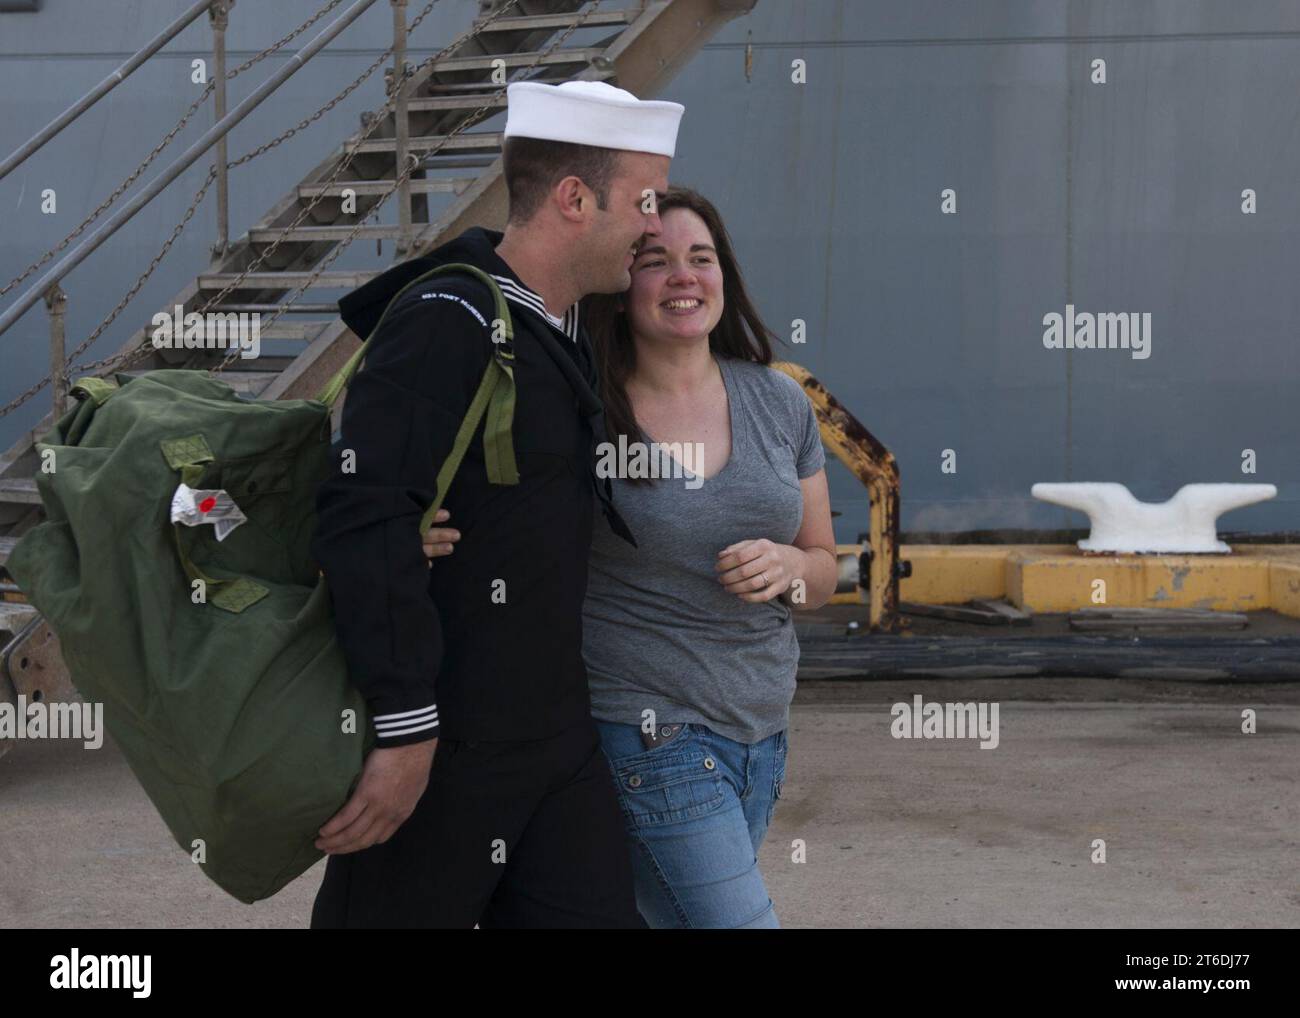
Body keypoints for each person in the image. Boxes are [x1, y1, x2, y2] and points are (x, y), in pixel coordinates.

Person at [308, 80, 684, 928]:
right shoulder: (448, 318)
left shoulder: (561, 325)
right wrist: (405, 733)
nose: (657, 225)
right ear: (574, 199)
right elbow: (361, 510)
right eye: (646, 201)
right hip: (448, 749)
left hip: (553, 742)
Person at [424, 186, 838, 927]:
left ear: (724, 278)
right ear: (624, 282)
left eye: (700, 258)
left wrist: (791, 567)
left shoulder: (781, 403)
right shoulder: (581, 407)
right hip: (649, 735)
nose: (684, 276)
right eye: (656, 260)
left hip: (762, 735)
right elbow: (491, 499)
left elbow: (825, 566)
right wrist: (415, 530)